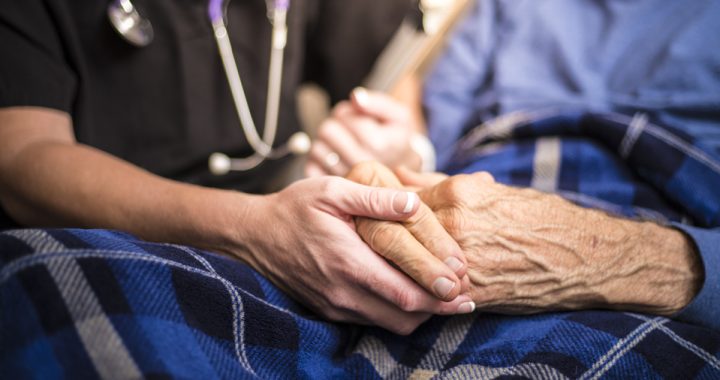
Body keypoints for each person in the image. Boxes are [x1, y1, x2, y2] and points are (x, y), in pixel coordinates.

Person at [0, 0, 477, 336]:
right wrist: (251, 229)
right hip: (110, 245)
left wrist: (403, 146)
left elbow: (390, 76)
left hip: (292, 226)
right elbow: (21, 158)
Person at [323, 0, 720, 332]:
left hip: (671, 209)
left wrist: (604, 258)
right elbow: (435, 141)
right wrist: (400, 155)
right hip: (472, 196)